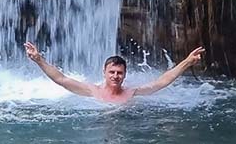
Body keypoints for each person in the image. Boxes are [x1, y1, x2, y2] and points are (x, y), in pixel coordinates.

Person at [23, 41, 205, 104]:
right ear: (104, 72)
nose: (115, 76)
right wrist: (39, 59)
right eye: (112, 72)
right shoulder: (92, 91)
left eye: (119, 73)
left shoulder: (132, 93)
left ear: (125, 75)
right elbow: (61, 79)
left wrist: (188, 61)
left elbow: (162, 81)